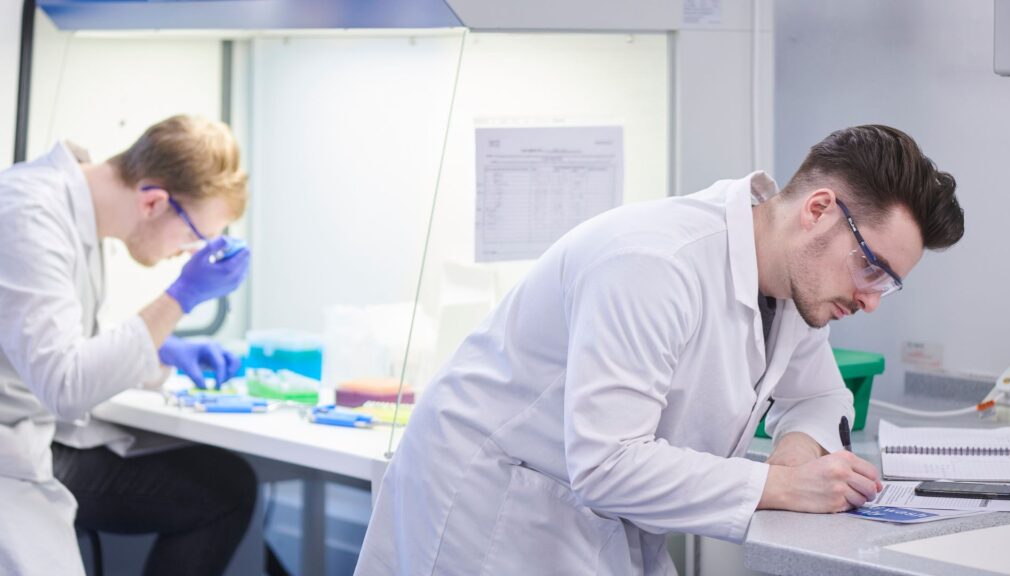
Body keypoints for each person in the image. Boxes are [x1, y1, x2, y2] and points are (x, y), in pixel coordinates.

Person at [354, 125, 965, 575]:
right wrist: (779, 487)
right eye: (872, 268)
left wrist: (796, 456)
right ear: (819, 210)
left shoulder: (795, 285)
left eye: (889, 282)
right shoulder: (652, 264)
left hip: (595, 519)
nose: (871, 300)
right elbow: (606, 464)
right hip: (494, 514)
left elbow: (821, 393)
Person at [0, 115, 256, 575]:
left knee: (227, 485)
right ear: (155, 202)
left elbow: (55, 337)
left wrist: (161, 351)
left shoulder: (74, 211)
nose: (185, 253)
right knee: (224, 492)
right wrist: (181, 297)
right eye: (194, 238)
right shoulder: (29, 216)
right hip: (11, 449)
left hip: (35, 428)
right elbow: (65, 385)